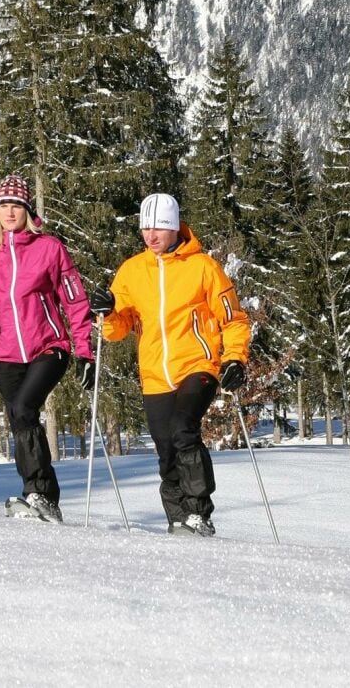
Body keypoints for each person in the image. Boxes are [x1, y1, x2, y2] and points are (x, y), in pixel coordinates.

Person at [88, 192, 250, 537]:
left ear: (176, 227)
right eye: (146, 227)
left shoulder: (203, 267)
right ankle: (178, 520)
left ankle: (198, 513)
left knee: (183, 429)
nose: (152, 235)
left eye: (159, 227)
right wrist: (106, 311)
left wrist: (235, 358)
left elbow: (233, 319)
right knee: (166, 451)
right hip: (154, 374)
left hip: (198, 363)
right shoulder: (132, 270)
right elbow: (116, 331)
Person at [0, 174, 95, 523]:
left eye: (16, 205)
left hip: (49, 346)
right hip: (6, 353)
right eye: (3, 206)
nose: (9, 212)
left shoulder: (50, 248)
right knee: (19, 419)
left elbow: (75, 302)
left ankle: (39, 493)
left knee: (25, 408)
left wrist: (85, 351)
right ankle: (42, 497)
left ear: (27, 210)